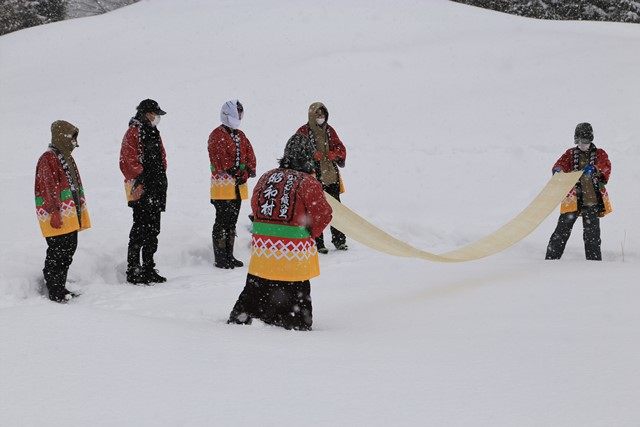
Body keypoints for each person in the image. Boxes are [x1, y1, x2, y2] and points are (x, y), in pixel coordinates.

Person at [228, 134, 332, 330]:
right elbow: (323, 214)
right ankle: (291, 321)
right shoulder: (308, 182)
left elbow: (255, 207)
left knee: (256, 292)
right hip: (292, 257)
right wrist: (311, 233)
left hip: (263, 253)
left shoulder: (267, 176)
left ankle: (248, 316)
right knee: (294, 304)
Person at [35, 120, 91, 302]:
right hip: (57, 214)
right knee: (58, 250)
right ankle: (54, 288)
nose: (76, 143)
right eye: (73, 138)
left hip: (69, 213)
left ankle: (60, 285)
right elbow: (47, 187)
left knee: (69, 248)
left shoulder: (66, 157)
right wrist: (54, 211)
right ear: (63, 137)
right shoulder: (48, 158)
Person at [545, 122, 612, 261]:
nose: (582, 144)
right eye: (579, 141)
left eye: (585, 141)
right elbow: (560, 163)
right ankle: (551, 259)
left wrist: (595, 169)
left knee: (592, 234)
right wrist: (558, 169)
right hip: (572, 198)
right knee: (561, 230)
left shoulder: (600, 153)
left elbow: (605, 166)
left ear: (591, 139)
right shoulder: (570, 153)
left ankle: (594, 262)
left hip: (591, 199)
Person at [119, 99, 168, 284]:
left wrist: (159, 173)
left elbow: (162, 156)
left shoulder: (154, 132)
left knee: (153, 228)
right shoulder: (134, 132)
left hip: (156, 186)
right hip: (140, 187)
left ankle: (148, 267)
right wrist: (144, 176)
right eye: (155, 114)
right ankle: (133, 269)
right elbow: (127, 161)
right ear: (147, 113)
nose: (157, 118)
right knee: (140, 228)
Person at [208, 99, 256, 269]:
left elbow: (250, 154)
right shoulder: (217, 135)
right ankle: (221, 257)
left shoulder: (240, 135)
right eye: (238, 113)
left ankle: (229, 254)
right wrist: (237, 171)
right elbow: (220, 159)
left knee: (232, 221)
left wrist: (248, 170)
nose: (241, 116)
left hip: (237, 186)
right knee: (222, 220)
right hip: (222, 187)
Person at [296, 102, 347, 254]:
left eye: (322, 114)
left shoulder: (330, 131)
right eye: (317, 115)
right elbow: (296, 152)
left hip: (331, 177)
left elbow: (340, 148)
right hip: (313, 179)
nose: (320, 118)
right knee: (315, 211)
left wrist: (335, 154)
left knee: (336, 210)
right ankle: (318, 242)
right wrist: (311, 156)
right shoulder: (303, 131)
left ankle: (339, 241)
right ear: (311, 116)